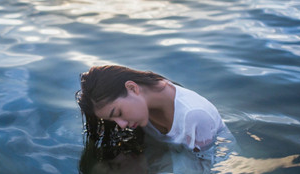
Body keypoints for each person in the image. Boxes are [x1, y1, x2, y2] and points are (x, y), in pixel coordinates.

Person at [76, 65, 226, 154]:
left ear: (132, 88)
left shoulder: (194, 115)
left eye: (118, 113)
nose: (121, 125)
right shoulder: (142, 109)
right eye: (112, 120)